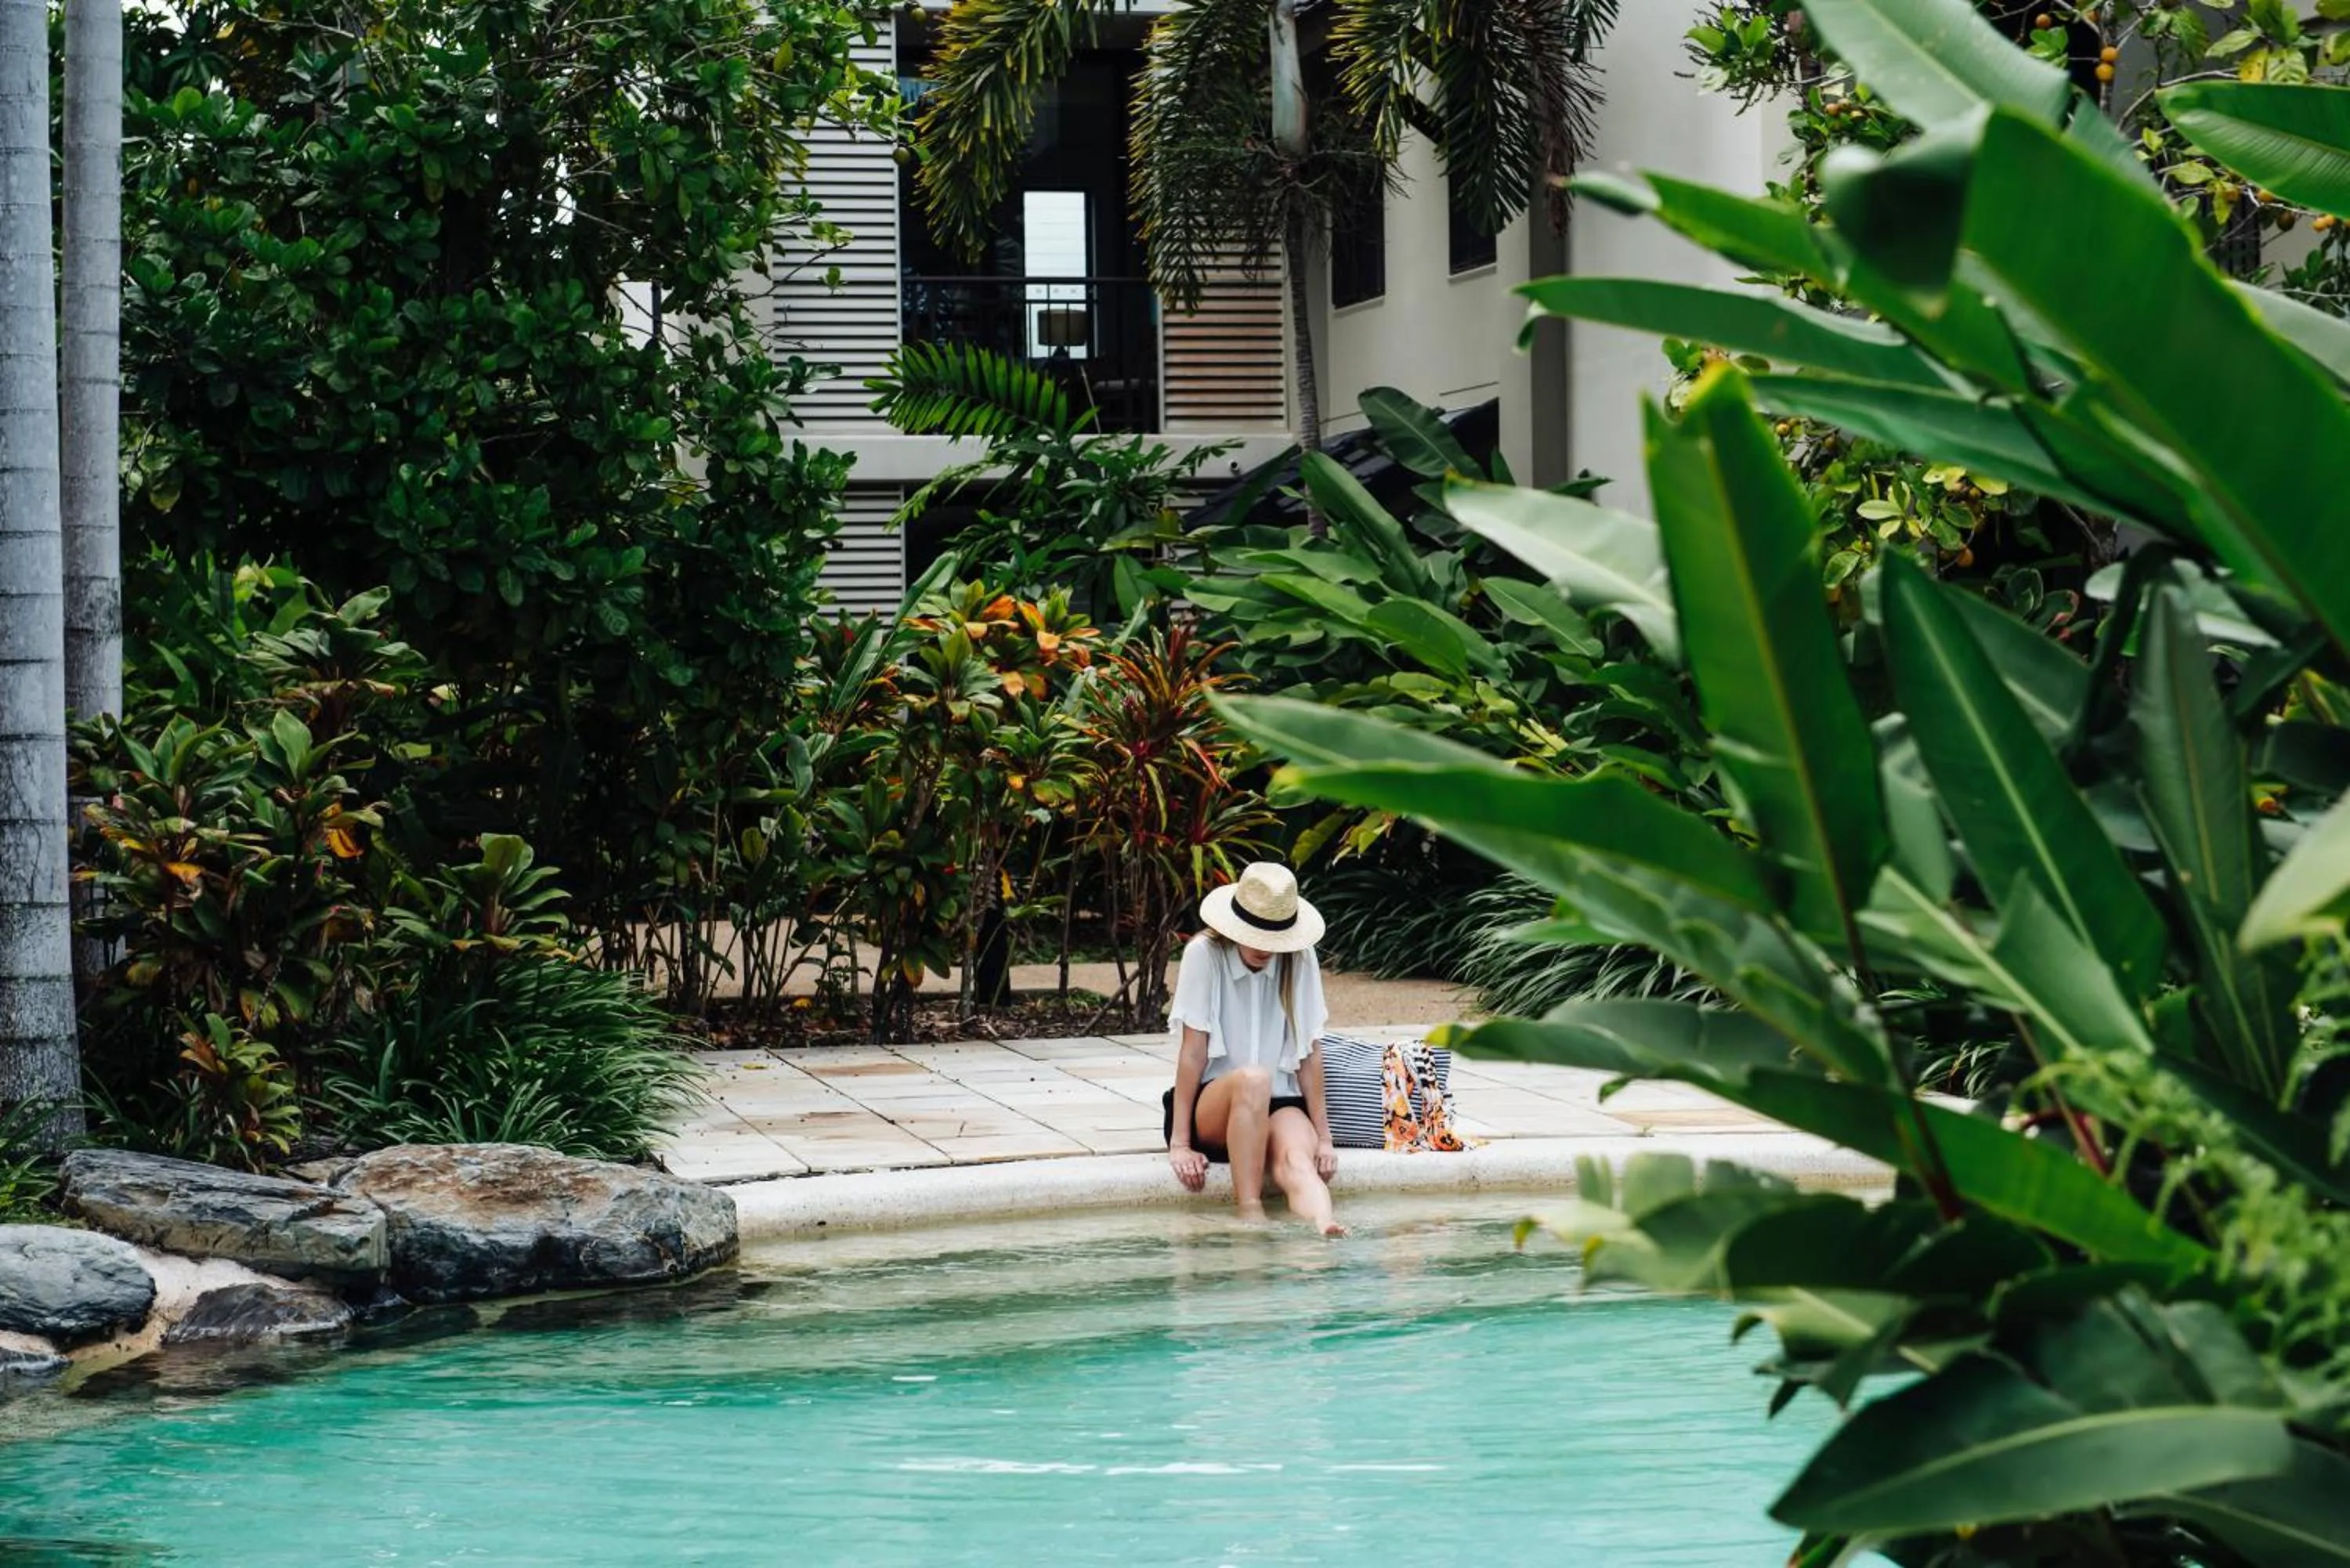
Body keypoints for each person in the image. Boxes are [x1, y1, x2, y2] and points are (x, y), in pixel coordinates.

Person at [1162, 862, 1345, 1236]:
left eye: (1273, 938)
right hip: (1214, 1107)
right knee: (1253, 1079)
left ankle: (1324, 1226)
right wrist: (1180, 1144)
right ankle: (1250, 1214)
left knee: (1298, 1160)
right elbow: (1193, 1053)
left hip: (1280, 1103)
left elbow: (1310, 1053)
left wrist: (1324, 1139)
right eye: (1256, 935)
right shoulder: (1204, 954)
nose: (1265, 948)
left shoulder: (1301, 958)